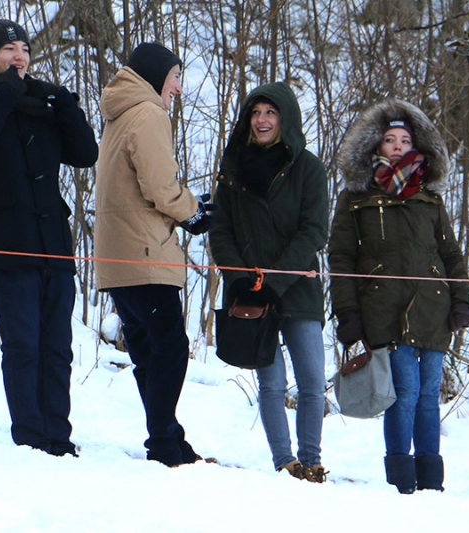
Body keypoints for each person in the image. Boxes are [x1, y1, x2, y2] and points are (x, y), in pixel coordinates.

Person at [0, 19, 98, 456]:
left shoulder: (42, 101)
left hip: (53, 242)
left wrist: (66, 105)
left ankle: (58, 438)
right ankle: (30, 438)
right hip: (5, 245)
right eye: (10, 48)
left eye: (25, 49)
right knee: (23, 345)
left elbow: (86, 154)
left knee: (57, 348)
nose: (19, 57)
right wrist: (6, 94)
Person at [328, 99, 469, 493]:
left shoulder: (429, 198)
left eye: (404, 139)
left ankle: (431, 479)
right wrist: (347, 311)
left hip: (432, 306)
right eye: (389, 139)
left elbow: (450, 253)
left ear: (416, 146)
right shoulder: (355, 197)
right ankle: (401, 479)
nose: (396, 145)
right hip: (383, 306)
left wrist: (463, 299)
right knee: (404, 392)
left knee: (429, 394)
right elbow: (340, 257)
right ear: (376, 147)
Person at [94, 42, 215, 467]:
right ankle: (163, 442)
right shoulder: (148, 113)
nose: (178, 88)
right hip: (144, 252)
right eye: (175, 77)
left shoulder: (119, 112)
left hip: (117, 254)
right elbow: (161, 187)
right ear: (156, 76)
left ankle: (166, 435)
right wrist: (195, 211)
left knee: (149, 349)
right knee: (170, 347)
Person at [208, 82, 329, 482]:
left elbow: (313, 232)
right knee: (272, 383)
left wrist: (275, 280)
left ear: (285, 119)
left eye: (270, 113)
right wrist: (241, 279)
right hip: (249, 293)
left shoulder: (309, 168)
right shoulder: (232, 166)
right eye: (256, 112)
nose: (261, 120)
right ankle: (285, 463)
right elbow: (220, 231)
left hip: (298, 289)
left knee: (312, 381)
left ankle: (311, 461)